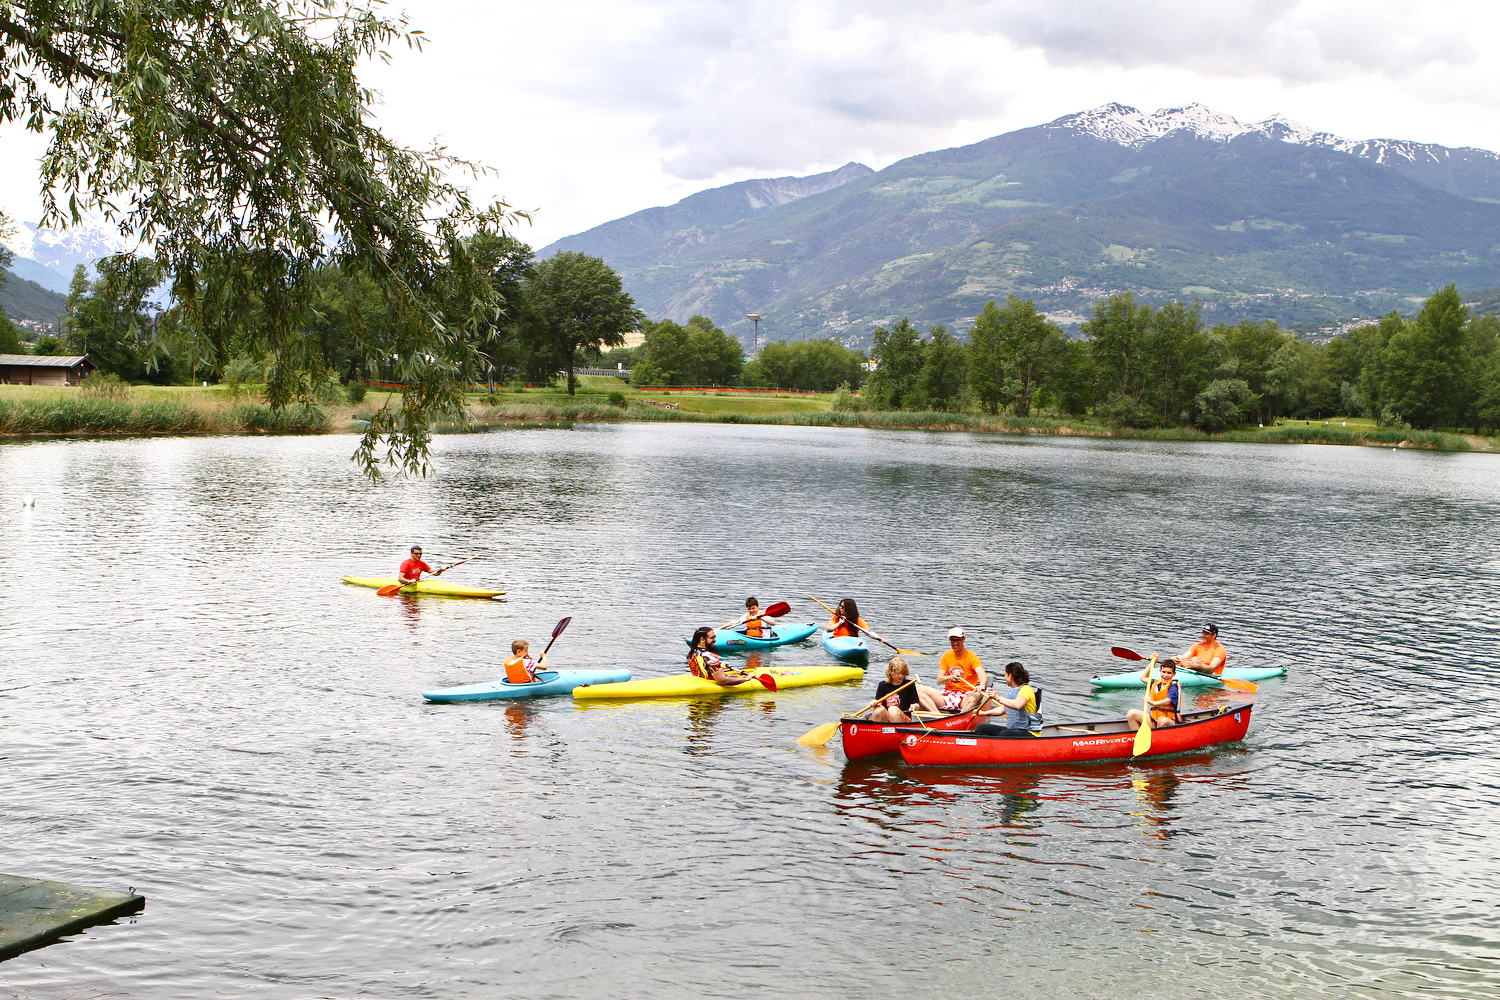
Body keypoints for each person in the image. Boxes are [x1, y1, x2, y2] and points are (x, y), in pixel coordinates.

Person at [920, 627, 986, 713]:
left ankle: (962, 716)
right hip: (948, 694)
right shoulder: (946, 656)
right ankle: (937, 715)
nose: (955, 643)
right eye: (952, 640)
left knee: (978, 694)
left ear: (963, 639)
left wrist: (981, 685)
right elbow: (939, 680)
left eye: (958, 640)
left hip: (966, 696)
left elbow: (982, 674)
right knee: (918, 688)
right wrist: (951, 677)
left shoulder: (972, 657)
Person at [975, 662, 1043, 736]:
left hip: (1028, 732)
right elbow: (1003, 709)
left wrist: (997, 697)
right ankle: (990, 746)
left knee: (1004, 734)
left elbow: (1017, 705)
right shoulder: (1012, 691)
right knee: (981, 728)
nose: (1005, 678)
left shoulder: (1026, 689)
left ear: (1010, 676)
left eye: (1005, 675)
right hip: (1014, 730)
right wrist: (983, 713)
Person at [870, 656, 940, 723]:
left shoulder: (909, 684)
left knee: (892, 709)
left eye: (903, 673)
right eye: (898, 673)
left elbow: (916, 704)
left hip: (903, 717)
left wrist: (914, 707)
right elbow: (878, 701)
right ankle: (877, 731)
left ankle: (897, 732)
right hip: (887, 717)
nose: (901, 676)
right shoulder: (883, 685)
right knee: (878, 710)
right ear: (891, 673)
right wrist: (875, 702)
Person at [686, 627, 757, 687]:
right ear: (702, 640)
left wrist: (719, 666)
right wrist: (746, 679)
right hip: (712, 686)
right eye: (712, 638)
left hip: (702, 682)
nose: (715, 640)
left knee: (736, 674)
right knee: (738, 676)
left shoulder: (693, 652)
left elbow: (704, 667)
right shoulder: (709, 657)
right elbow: (724, 681)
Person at [1127, 660, 1182, 731]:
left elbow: (1167, 701)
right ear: (1160, 671)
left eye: (1169, 673)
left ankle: (1157, 739)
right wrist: (1153, 662)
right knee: (1131, 713)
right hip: (1154, 720)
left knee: (1162, 720)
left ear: (1174, 674)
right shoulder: (1155, 683)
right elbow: (1143, 677)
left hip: (1169, 722)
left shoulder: (1173, 686)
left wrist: (1152, 702)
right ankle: (1137, 738)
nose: (1165, 675)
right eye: (1163, 672)